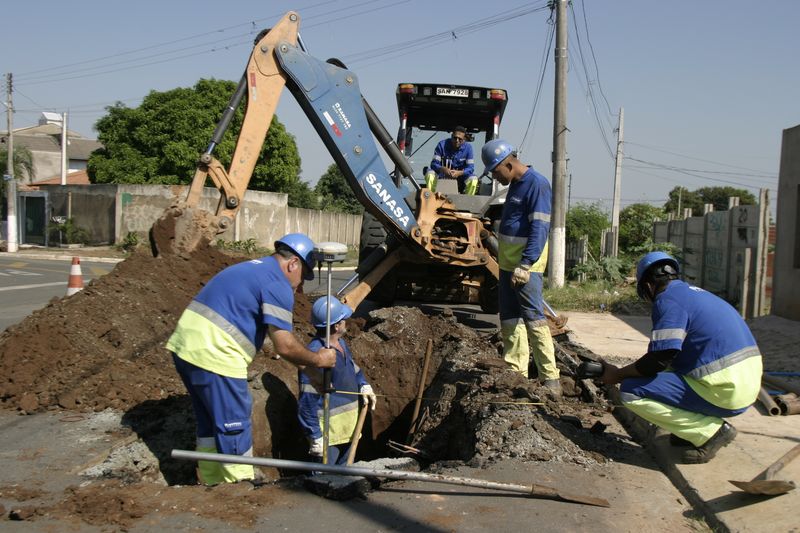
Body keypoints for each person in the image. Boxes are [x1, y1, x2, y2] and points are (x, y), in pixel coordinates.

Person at [167, 233, 337, 485]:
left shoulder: (251, 269)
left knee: (210, 426)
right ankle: (240, 487)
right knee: (234, 424)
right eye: (303, 276)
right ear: (293, 265)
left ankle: (212, 485)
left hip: (186, 346)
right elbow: (285, 345)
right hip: (216, 352)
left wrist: (310, 372)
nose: (300, 286)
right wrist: (319, 360)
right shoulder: (277, 283)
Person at [600, 251, 762, 464]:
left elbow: (660, 357)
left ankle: (710, 432)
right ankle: (690, 430)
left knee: (631, 391)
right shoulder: (697, 294)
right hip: (748, 385)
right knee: (666, 371)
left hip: (726, 391)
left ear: (647, 286)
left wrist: (618, 374)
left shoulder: (667, 301)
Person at [480, 139, 560, 393]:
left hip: (526, 268)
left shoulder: (536, 184)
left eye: (495, 171)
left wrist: (525, 264)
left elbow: (539, 228)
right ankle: (515, 373)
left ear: (509, 163)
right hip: (508, 266)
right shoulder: (515, 185)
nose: (494, 176)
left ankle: (550, 378)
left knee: (534, 320)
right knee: (510, 320)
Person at [298, 297, 376, 465]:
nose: (346, 322)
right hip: (329, 435)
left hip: (349, 428)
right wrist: (315, 436)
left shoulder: (340, 344)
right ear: (336, 326)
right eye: (343, 320)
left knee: (343, 480)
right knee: (323, 481)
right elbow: (307, 401)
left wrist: (363, 384)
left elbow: (352, 369)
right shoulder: (316, 356)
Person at [424, 125, 478, 195]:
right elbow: (434, 164)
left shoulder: (468, 148)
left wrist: (459, 173)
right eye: (455, 138)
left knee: (473, 179)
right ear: (451, 136)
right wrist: (442, 169)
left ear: (464, 139)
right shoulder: (442, 145)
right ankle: (430, 198)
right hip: (441, 178)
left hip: (461, 180)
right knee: (430, 174)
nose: (457, 141)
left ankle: (468, 202)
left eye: (460, 139)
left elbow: (470, 168)